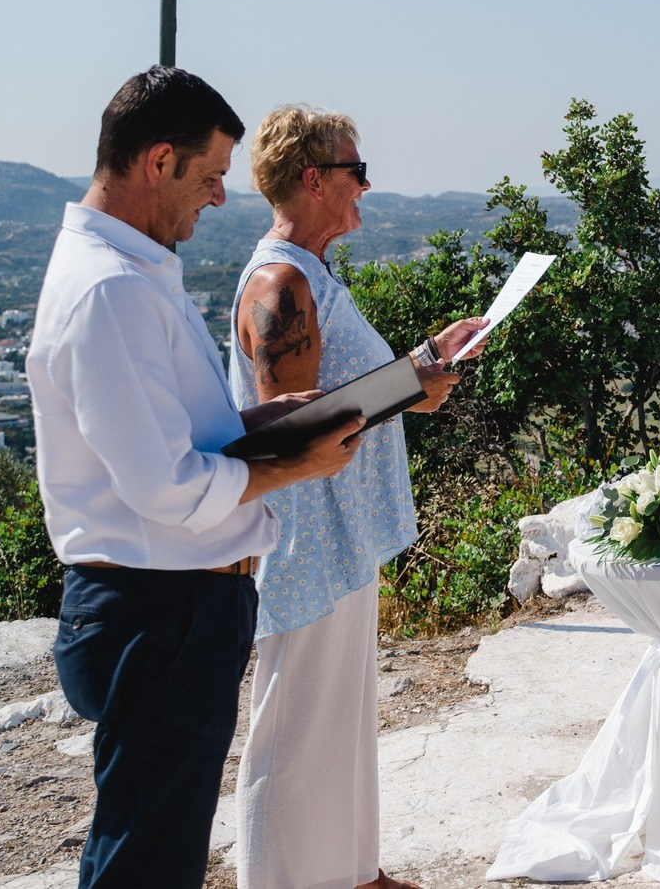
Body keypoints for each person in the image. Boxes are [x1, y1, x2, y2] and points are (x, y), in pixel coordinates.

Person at [30, 67, 367, 889]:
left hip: (174, 606)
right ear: (157, 161)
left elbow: (179, 441)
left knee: (158, 848)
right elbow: (165, 486)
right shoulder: (110, 289)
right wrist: (299, 458)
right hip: (159, 613)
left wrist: (269, 420)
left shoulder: (131, 272)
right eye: (211, 174)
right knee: (145, 861)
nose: (220, 196)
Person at [228, 105, 487, 889]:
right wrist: (413, 377)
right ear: (313, 178)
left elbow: (337, 397)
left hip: (337, 537)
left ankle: (349, 872)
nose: (367, 184)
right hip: (304, 541)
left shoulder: (311, 273)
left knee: (339, 721)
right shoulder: (280, 282)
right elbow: (295, 426)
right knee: (293, 729)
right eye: (356, 170)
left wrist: (423, 368)